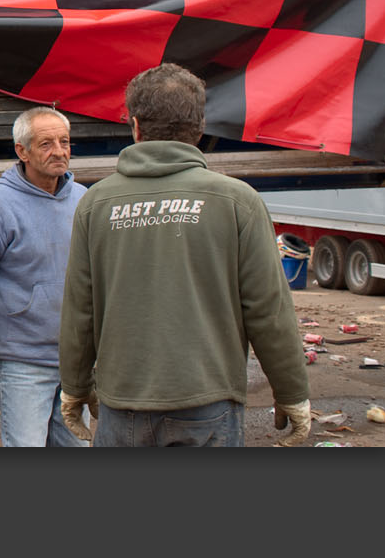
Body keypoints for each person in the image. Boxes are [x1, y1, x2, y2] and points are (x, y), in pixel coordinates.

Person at [56, 63, 311, 447]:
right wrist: (290, 391)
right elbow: (268, 310)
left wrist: (74, 388)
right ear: (200, 126)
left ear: (136, 125)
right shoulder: (236, 201)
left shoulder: (96, 203)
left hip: (122, 405)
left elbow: (80, 309)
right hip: (208, 404)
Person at [0, 106, 89, 447]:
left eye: (64, 141)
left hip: (76, 362)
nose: (59, 151)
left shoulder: (85, 201)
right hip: (23, 363)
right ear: (21, 151)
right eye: (46, 144)